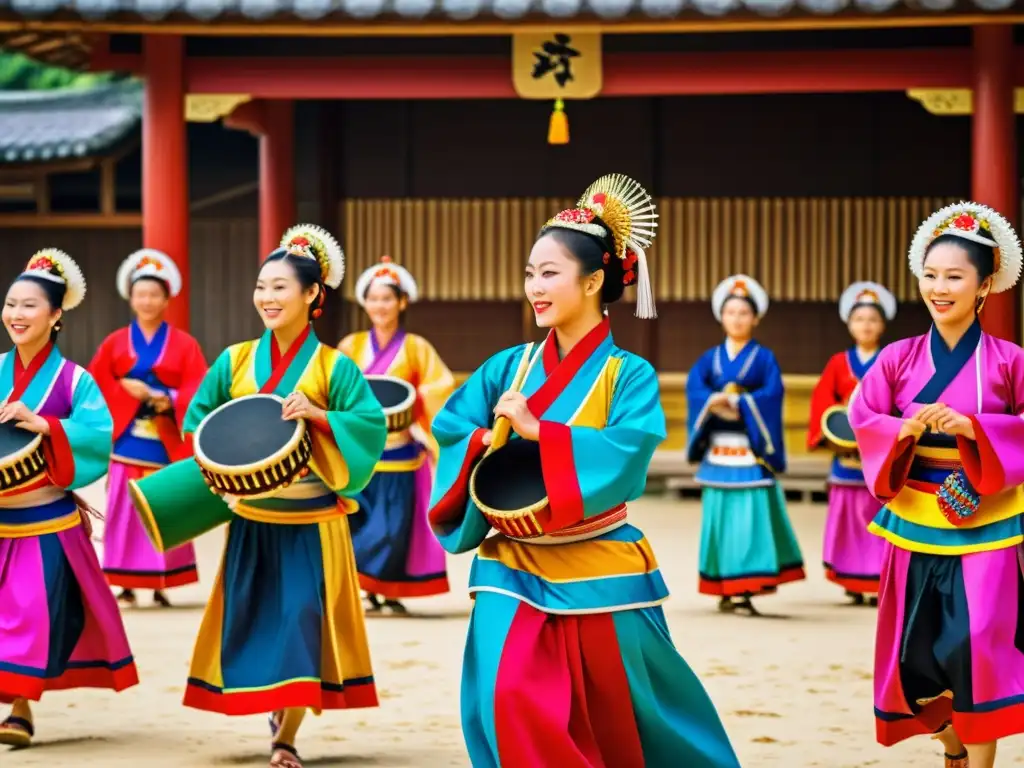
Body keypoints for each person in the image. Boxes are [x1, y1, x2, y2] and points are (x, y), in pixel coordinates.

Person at [428, 174, 740, 767]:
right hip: (512, 558)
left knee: (622, 712)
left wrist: (539, 433)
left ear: (593, 281)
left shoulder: (630, 375)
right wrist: (479, 440)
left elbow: (628, 451)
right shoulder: (509, 367)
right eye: (529, 273)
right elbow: (450, 427)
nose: (534, 287)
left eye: (549, 273)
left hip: (597, 555)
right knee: (504, 695)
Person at [177, 225, 387, 768]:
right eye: (261, 287)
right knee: (255, 617)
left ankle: (287, 735)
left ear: (313, 295)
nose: (267, 298)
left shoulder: (334, 367)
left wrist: (321, 416)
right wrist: (216, 470)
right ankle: (276, 709)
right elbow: (197, 421)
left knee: (301, 618)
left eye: (280, 288)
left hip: (313, 521)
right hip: (253, 517)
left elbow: (368, 426)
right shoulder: (235, 360)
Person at [849, 202, 1024, 768]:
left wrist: (976, 428)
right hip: (914, 519)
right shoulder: (898, 359)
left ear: (984, 285)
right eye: (930, 275)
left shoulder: (1009, 361)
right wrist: (904, 428)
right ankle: (952, 747)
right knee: (913, 660)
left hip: (988, 520)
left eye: (954, 277)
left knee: (976, 649)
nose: (938, 288)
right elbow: (862, 415)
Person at [0, 249, 137, 748]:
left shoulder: (75, 380)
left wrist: (47, 425)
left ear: (56, 315)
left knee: (30, 614)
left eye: (30, 305)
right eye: (11, 303)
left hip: (44, 523)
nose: (16, 313)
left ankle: (19, 708)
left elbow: (99, 437)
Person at [89, 248, 208, 608]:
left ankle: (161, 580)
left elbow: (198, 387)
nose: (147, 300)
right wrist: (123, 389)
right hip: (126, 438)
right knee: (124, 508)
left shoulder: (185, 344)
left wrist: (168, 397)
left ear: (167, 298)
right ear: (131, 297)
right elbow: (93, 383)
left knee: (163, 505)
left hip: (165, 437)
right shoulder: (114, 341)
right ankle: (123, 580)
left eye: (154, 294)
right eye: (141, 293)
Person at [340, 256, 455, 615]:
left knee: (392, 529)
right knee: (357, 523)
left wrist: (414, 399)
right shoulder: (350, 346)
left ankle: (387, 590)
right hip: (359, 454)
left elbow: (441, 386)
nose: (380, 306)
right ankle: (367, 590)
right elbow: (334, 389)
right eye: (373, 299)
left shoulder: (416, 347)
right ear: (364, 303)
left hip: (400, 452)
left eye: (387, 299)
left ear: (401, 303)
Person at [686, 275, 805, 616]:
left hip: (750, 451)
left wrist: (741, 404)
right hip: (719, 451)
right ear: (721, 317)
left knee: (749, 520)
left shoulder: (765, 358)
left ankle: (745, 588)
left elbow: (772, 394)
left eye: (743, 313)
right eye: (731, 312)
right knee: (719, 519)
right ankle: (724, 586)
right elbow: (696, 390)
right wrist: (710, 402)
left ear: (755, 319)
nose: (737, 318)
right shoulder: (709, 359)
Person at [807, 281, 895, 606]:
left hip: (880, 453)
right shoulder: (837, 363)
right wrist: (831, 435)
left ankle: (877, 576)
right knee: (848, 517)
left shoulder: (891, 359)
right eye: (860, 319)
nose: (866, 325)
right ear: (849, 324)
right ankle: (850, 577)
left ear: (882, 325)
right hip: (845, 455)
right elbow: (821, 402)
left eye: (873, 319)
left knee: (877, 514)